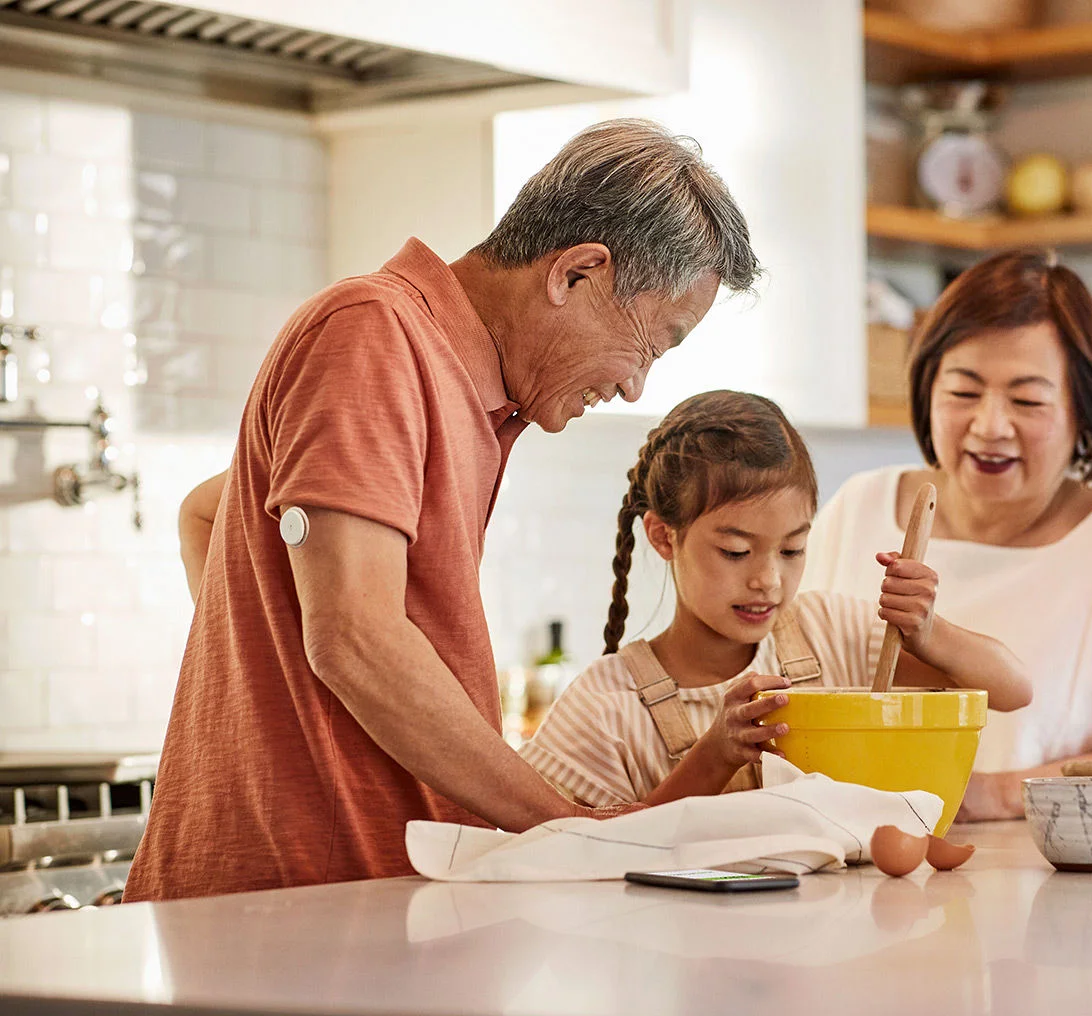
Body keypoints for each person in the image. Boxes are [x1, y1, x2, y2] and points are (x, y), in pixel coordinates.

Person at [126, 119, 761, 902]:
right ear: (578, 273)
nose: (636, 387)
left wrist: (270, 658)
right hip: (291, 907)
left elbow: (213, 511)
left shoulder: (472, 391)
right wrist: (566, 830)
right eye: (653, 346)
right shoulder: (373, 334)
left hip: (369, 903)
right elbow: (356, 638)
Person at [802, 250, 1092, 821]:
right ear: (927, 390)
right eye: (962, 392)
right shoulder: (858, 508)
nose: (990, 426)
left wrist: (988, 793)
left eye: (1028, 400)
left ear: (1083, 411)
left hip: (1058, 884)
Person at [519, 390, 1031, 807]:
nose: (769, 580)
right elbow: (577, 851)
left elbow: (1012, 690)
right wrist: (713, 757)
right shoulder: (606, 709)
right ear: (663, 536)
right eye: (736, 551)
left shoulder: (829, 633)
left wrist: (928, 630)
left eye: (792, 549)